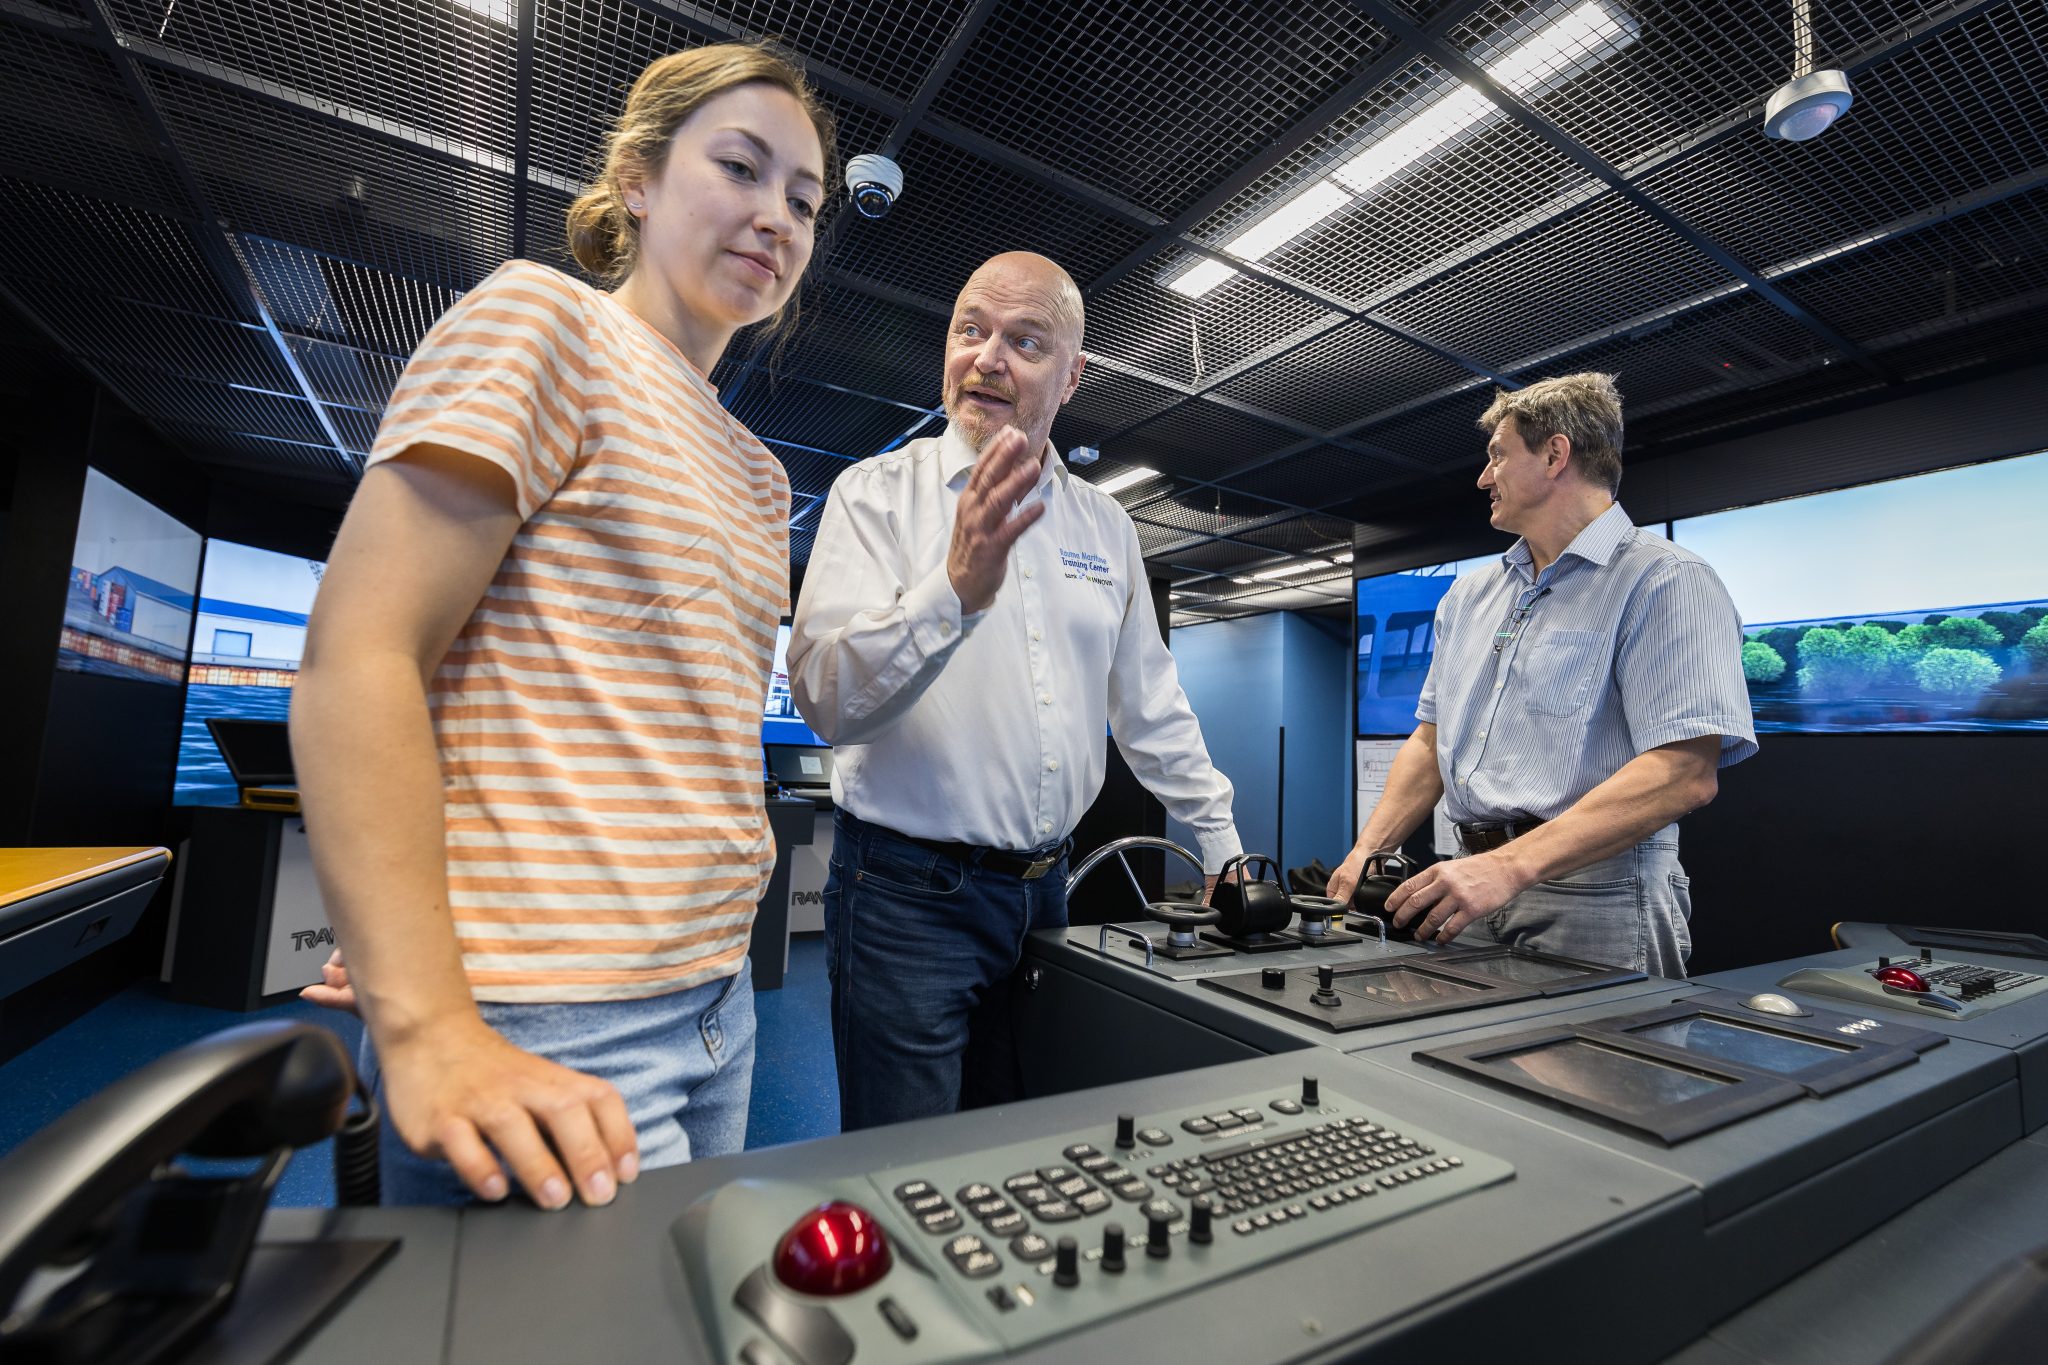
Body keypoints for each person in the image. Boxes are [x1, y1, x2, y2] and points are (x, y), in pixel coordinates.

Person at [289, 44, 835, 1209]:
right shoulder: (542, 324)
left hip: (713, 1002)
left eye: (802, 199)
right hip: (553, 1021)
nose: (774, 217)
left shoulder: (755, 472)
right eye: (739, 168)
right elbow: (359, 660)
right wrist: (424, 1006)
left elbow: (633, 728)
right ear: (636, 180)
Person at [787, 251, 1242, 1132]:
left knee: (1019, 1152)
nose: (988, 357)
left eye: (1024, 340)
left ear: (1073, 375)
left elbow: (1150, 708)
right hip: (903, 899)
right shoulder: (877, 497)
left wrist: (1222, 849)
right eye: (971, 330)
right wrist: (951, 591)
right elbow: (824, 699)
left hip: (1045, 898)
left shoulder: (1104, 525)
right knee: (903, 1165)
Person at [1326, 373, 1755, 977]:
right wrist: (1369, 850)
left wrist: (1506, 867)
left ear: (1556, 454)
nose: (1483, 477)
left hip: (1595, 898)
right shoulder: (1469, 596)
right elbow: (1430, 739)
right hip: (1462, 889)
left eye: (1497, 455)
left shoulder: (1666, 580)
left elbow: (1683, 773)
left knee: (1595, 1070)